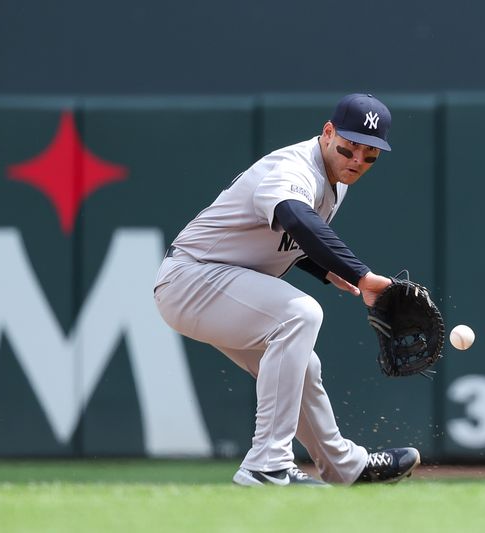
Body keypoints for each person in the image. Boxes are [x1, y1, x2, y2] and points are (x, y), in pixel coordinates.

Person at [153, 93, 421, 486]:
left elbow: (279, 237)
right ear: (327, 133)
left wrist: (326, 270)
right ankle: (266, 463)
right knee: (300, 313)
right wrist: (362, 275)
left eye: (370, 156)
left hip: (221, 282)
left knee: (302, 366)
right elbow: (295, 218)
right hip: (192, 279)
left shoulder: (335, 179)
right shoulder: (292, 167)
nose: (357, 162)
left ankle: (345, 466)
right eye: (349, 149)